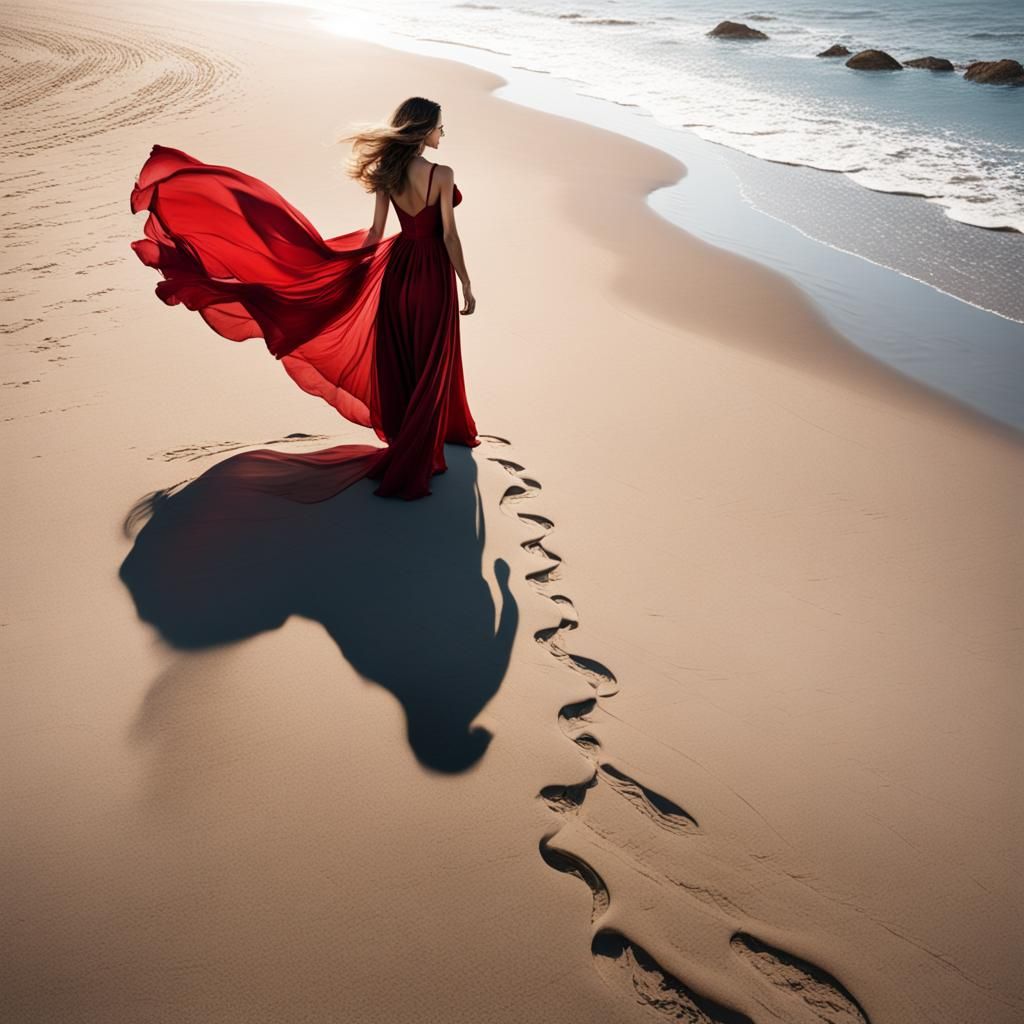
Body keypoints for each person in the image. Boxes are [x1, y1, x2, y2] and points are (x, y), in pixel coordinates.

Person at [129, 97, 480, 502]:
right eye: (440, 126)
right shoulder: (441, 173)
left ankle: (430, 434)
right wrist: (465, 282)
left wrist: (340, 264)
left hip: (398, 271)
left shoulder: (390, 171)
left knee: (406, 355)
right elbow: (448, 235)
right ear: (422, 130)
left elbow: (374, 232)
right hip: (431, 271)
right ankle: (424, 448)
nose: (442, 133)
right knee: (432, 354)